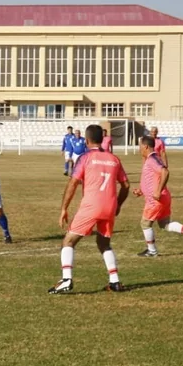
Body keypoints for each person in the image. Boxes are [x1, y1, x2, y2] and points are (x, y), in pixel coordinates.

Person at [49, 124, 130, 294]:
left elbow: (73, 182)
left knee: (68, 241)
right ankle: (114, 281)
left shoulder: (85, 158)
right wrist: (118, 205)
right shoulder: (114, 159)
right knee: (104, 243)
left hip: (91, 206)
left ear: (86, 140)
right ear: (102, 139)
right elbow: (126, 185)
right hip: (109, 207)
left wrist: (64, 208)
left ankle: (66, 279)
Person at [134, 135, 183, 256]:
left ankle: (152, 251)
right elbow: (153, 178)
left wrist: (157, 191)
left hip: (156, 200)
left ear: (145, 146)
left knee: (145, 224)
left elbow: (165, 172)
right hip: (162, 198)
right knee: (164, 224)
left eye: (140, 146)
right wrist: (142, 190)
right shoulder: (154, 158)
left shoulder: (152, 159)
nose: (139, 149)